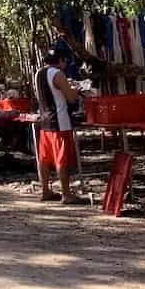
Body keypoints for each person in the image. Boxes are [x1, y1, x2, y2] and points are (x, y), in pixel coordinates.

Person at [34, 48, 84, 204]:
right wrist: (78, 90)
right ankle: (66, 193)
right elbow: (70, 98)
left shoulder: (38, 73)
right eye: (64, 61)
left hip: (45, 121)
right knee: (61, 158)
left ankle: (45, 190)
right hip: (60, 122)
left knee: (44, 158)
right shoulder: (58, 74)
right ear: (60, 60)